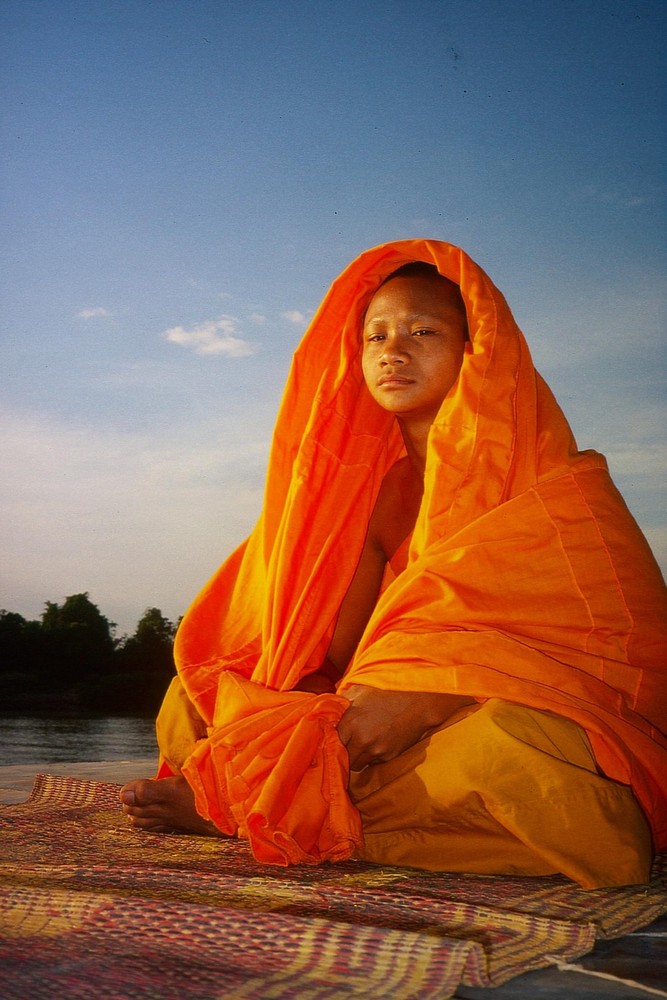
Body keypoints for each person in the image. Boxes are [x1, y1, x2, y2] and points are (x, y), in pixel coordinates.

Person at [121, 240, 667, 889]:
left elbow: (622, 649)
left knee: (506, 747)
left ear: (478, 350)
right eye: (375, 335)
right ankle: (301, 811)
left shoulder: (555, 483)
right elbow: (330, 656)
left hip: (522, 713)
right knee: (196, 693)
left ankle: (258, 812)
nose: (392, 350)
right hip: (390, 723)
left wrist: (437, 691)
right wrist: (308, 720)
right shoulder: (377, 495)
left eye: (422, 331)